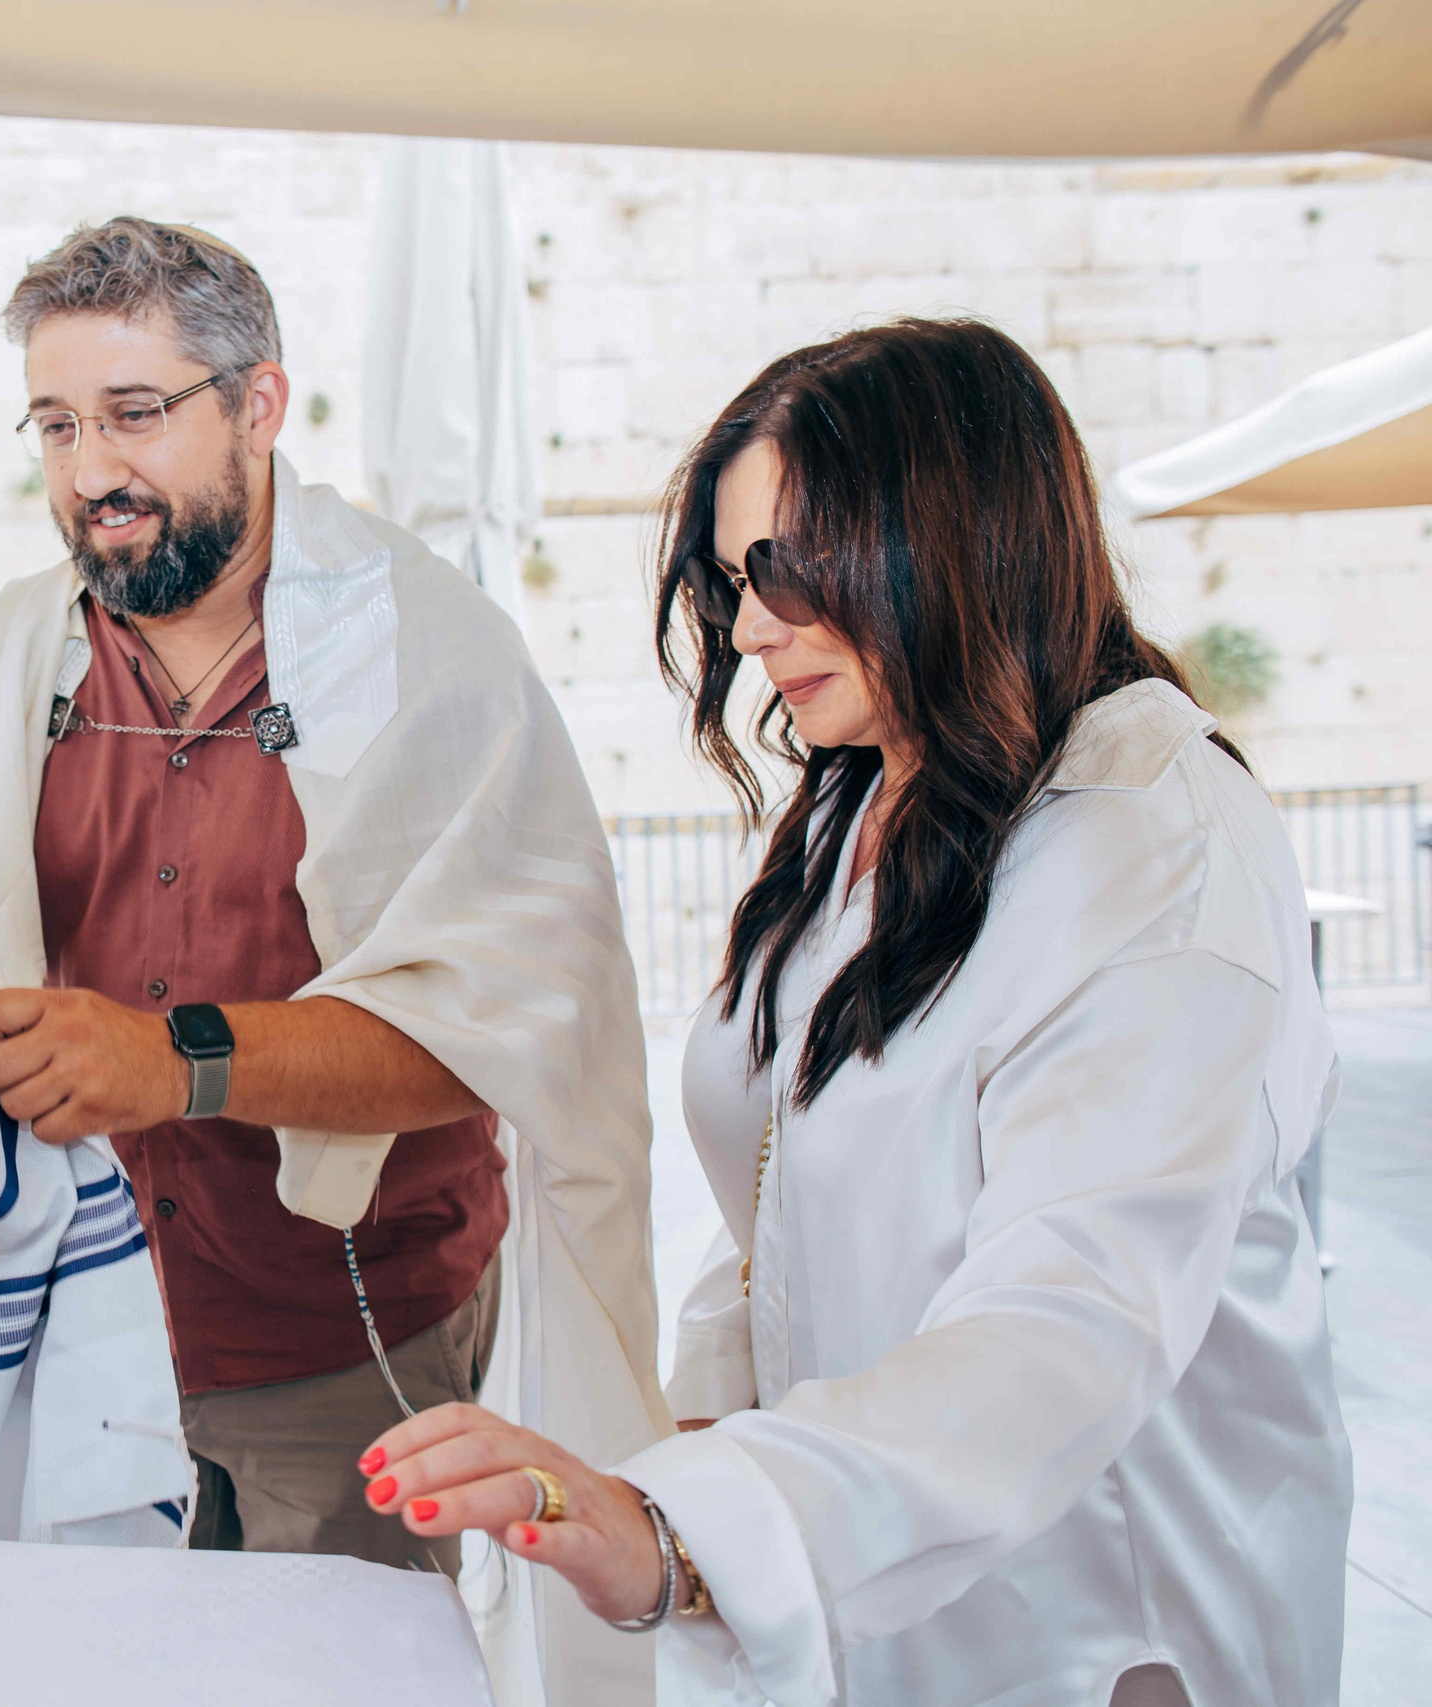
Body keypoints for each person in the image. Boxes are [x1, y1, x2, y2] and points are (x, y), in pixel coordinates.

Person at [359, 319, 1350, 1707]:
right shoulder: (869, 792)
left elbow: (1067, 1318)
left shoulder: (1156, 849)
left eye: (786, 567)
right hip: (874, 1597)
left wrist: (689, 1526)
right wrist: (707, 1439)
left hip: (1096, 1627)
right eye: (731, 576)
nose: (752, 623)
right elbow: (780, 1183)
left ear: (954, 537)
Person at [0, 216, 665, 1618]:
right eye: (54, 426)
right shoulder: (14, 648)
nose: (90, 473)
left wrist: (175, 1057)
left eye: (135, 415)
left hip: (344, 1350)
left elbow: (491, 1030)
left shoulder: (432, 650)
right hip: (76, 1322)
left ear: (261, 404)